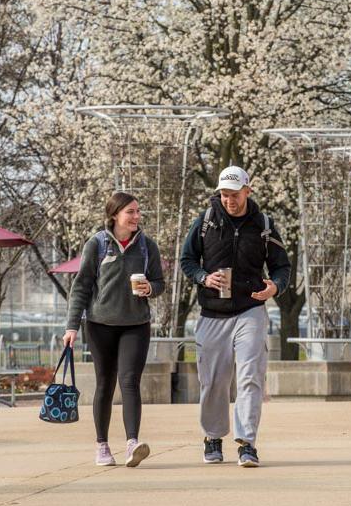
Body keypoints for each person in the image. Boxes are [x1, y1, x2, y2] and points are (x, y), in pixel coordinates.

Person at [180, 166, 291, 468]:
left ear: (247, 191)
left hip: (251, 309)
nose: (229, 200)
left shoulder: (264, 224)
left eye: (234, 194)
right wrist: (204, 278)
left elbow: (282, 266)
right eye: (224, 195)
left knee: (250, 376)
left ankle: (247, 443)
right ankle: (213, 436)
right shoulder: (204, 222)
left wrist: (275, 287)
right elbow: (187, 260)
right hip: (212, 313)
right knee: (213, 380)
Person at [63, 191, 165, 468]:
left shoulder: (147, 247)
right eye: (130, 212)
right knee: (104, 383)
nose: (136, 217)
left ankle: (133, 443)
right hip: (99, 325)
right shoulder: (96, 245)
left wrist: (151, 288)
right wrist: (72, 326)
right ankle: (102, 446)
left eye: (138, 211)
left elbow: (160, 282)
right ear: (115, 215)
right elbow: (82, 286)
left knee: (130, 381)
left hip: (136, 324)